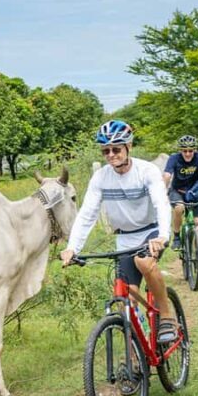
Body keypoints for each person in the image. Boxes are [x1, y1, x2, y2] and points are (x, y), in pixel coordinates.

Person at [60, 120, 180, 343]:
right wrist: (72, 248)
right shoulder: (101, 177)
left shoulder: (147, 171)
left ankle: (166, 316)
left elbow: (161, 204)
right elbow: (87, 214)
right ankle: (136, 357)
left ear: (129, 146)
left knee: (144, 262)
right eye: (106, 150)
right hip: (124, 238)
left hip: (150, 232)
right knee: (125, 300)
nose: (111, 154)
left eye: (116, 149)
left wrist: (163, 235)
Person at [164, 135, 198, 252]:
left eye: (191, 150)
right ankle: (177, 236)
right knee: (179, 208)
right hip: (177, 191)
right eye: (185, 151)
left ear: (195, 150)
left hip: (195, 193)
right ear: (180, 150)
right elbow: (167, 176)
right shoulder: (174, 158)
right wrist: (161, 194)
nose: (188, 154)